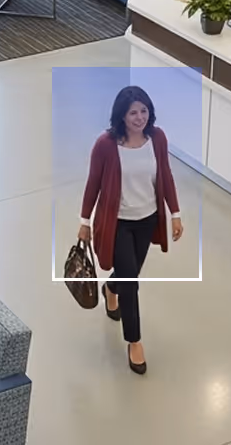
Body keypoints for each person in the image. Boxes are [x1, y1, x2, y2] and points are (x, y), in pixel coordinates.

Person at [78, 86, 182, 375]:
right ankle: (134, 341)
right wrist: (84, 221)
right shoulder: (105, 145)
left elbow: (166, 175)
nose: (139, 118)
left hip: (147, 219)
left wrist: (175, 214)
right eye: (133, 112)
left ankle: (111, 287)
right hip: (118, 222)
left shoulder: (157, 138)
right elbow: (93, 184)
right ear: (121, 116)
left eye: (144, 111)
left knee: (128, 274)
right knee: (132, 284)